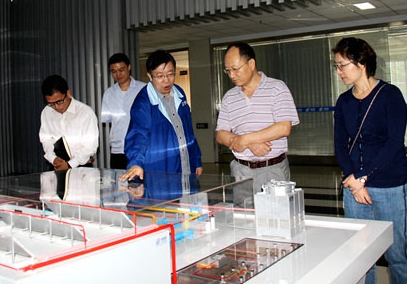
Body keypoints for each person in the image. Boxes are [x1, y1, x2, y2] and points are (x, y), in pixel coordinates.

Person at [332, 37, 407, 284]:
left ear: (361, 63)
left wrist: (362, 177)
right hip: (354, 186)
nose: (339, 71)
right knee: (360, 253)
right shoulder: (344, 101)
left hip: (389, 184)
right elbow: (340, 144)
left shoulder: (390, 95)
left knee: (396, 253)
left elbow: (393, 144)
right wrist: (353, 179)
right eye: (336, 66)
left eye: (342, 65)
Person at [216, 42, 299, 196]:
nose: (231, 75)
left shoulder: (277, 88)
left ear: (251, 64)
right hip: (241, 170)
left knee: (274, 211)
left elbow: (283, 127)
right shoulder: (229, 97)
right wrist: (249, 143)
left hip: (272, 169)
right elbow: (221, 134)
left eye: (235, 69)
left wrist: (245, 139)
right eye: (228, 70)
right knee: (243, 211)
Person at [120, 50, 203, 181]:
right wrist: (136, 162)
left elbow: (187, 130)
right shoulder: (143, 103)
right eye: (160, 76)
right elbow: (138, 135)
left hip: (186, 164)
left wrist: (196, 159)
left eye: (170, 74)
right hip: (160, 169)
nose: (166, 80)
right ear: (150, 76)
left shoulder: (179, 93)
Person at [39, 75, 99, 171]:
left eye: (59, 102)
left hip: (82, 168)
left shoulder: (85, 113)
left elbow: (90, 146)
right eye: (51, 104)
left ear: (68, 93)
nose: (56, 107)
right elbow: (46, 139)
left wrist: (70, 164)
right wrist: (53, 158)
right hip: (56, 165)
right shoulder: (47, 112)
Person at [101, 53, 146, 169]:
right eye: (114, 71)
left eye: (121, 70)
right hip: (117, 150)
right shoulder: (108, 93)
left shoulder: (144, 89)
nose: (118, 74)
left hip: (140, 148)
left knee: (142, 180)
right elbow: (108, 120)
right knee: (118, 180)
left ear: (129, 67)